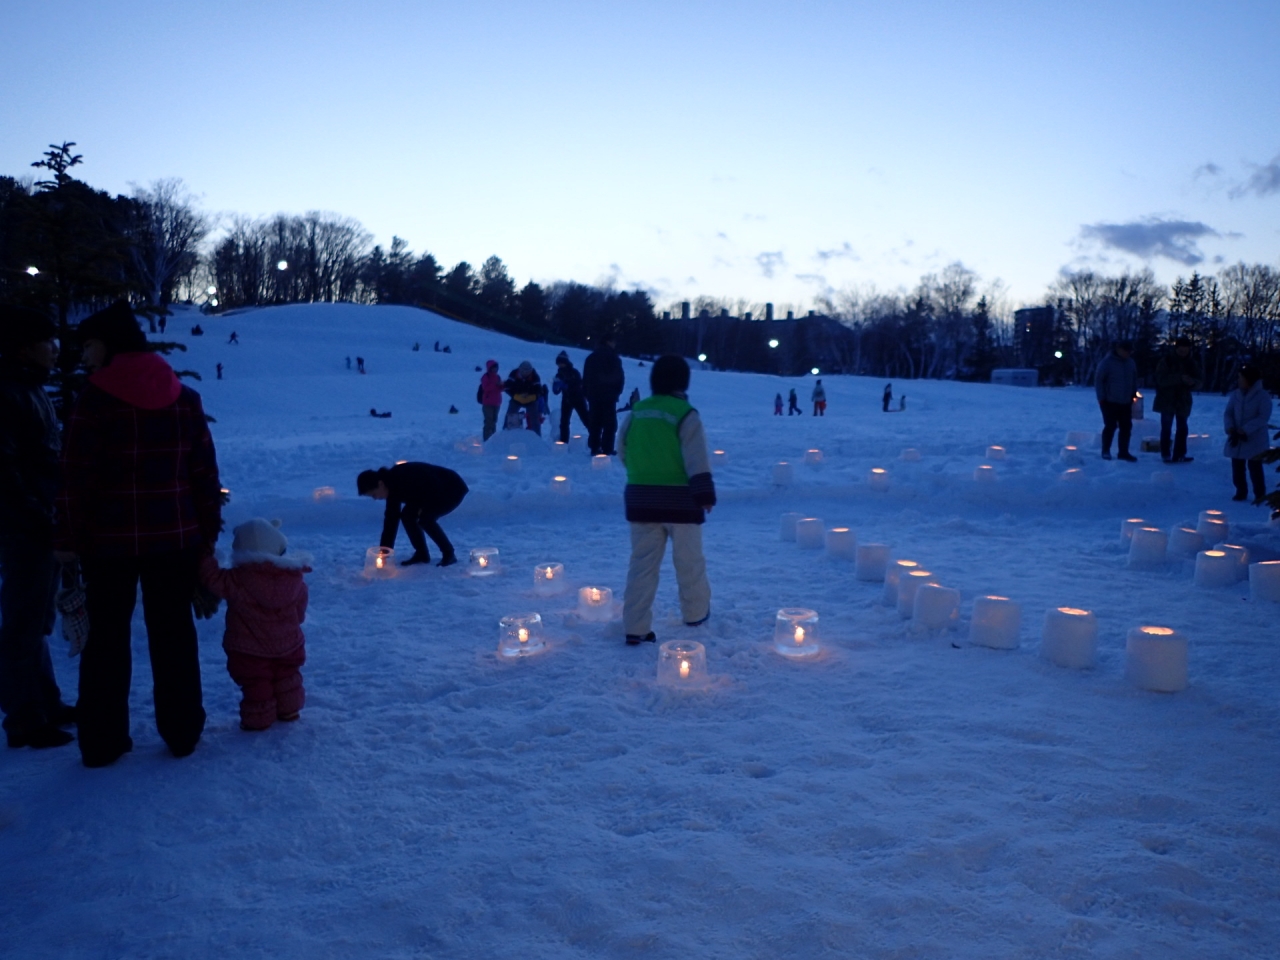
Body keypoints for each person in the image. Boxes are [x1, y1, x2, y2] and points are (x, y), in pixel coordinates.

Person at [56, 301, 223, 767]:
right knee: (173, 634)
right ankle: (183, 730)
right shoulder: (184, 399)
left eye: (88, 345)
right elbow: (204, 474)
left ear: (108, 345)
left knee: (105, 640)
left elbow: (74, 478)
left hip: (108, 545)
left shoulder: (93, 401)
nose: (84, 356)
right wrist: (205, 533)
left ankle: (103, 740)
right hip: (175, 539)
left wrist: (66, 540)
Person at [0, 305, 76, 749]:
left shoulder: (30, 388)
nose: (55, 351)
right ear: (26, 347)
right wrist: (33, 512)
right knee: (23, 620)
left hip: (40, 519)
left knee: (36, 616)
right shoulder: (9, 393)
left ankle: (45, 701)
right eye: (49, 343)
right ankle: (24, 718)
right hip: (25, 524)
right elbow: (5, 469)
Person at [617, 355, 715, 645]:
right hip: (682, 503)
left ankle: (635, 626)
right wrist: (704, 495)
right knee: (689, 562)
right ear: (683, 382)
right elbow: (696, 458)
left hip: (641, 500)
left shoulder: (637, 412)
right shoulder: (685, 413)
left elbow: (622, 449)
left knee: (642, 565)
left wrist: (642, 476)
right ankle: (695, 613)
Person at [198, 518, 311, 731]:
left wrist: (205, 556)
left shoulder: (236, 579)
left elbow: (211, 577)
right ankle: (290, 709)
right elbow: (300, 610)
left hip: (248, 649)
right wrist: (292, 625)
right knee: (288, 675)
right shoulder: (294, 579)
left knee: (257, 683)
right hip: (288, 643)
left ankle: (259, 719)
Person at [357, 462, 468, 567]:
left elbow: (432, 484)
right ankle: (422, 554)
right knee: (407, 516)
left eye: (374, 494)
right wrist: (384, 553)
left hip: (450, 488)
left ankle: (449, 554)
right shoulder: (391, 487)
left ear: (380, 484)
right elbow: (391, 520)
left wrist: (423, 508)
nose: (375, 498)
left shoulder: (403, 478)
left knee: (426, 519)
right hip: (426, 492)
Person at [1223, 364, 1272, 503]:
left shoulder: (1263, 396)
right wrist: (1230, 427)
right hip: (1236, 438)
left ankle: (1260, 494)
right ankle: (1240, 491)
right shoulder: (1236, 394)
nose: (1238, 380)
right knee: (1237, 467)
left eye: (1241, 378)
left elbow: (1263, 417)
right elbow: (1228, 413)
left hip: (1254, 438)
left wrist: (1245, 429)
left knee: (1255, 467)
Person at [1153, 336, 1202, 463]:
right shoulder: (1167, 361)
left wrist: (1192, 382)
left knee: (1182, 428)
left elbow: (1200, 381)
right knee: (1166, 427)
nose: (1183, 353)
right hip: (1167, 399)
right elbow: (1160, 380)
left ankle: (1180, 453)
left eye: (1185, 350)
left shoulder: (1192, 363)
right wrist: (1179, 378)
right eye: (1181, 350)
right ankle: (1165, 453)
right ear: (1176, 349)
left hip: (1183, 400)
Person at [1094, 340, 1138, 461]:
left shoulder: (1131, 363)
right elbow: (1099, 381)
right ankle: (1106, 450)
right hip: (1109, 401)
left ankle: (1123, 452)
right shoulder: (1107, 363)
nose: (1127, 353)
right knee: (1110, 426)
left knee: (1126, 427)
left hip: (1126, 401)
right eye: (1125, 350)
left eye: (1129, 351)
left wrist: (1133, 393)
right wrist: (1101, 398)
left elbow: (1134, 379)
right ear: (1118, 349)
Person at [583, 336, 625, 455]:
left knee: (594, 422)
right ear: (608, 341)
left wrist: (586, 393)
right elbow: (619, 377)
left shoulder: (591, 358)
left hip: (593, 395)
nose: (615, 344)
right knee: (609, 424)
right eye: (613, 341)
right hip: (608, 396)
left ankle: (594, 447)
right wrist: (617, 392)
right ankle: (607, 448)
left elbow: (586, 377)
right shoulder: (614, 358)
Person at [552, 351, 590, 443]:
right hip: (566, 400)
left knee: (586, 419)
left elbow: (578, 385)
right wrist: (556, 387)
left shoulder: (574, 372)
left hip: (578, 399)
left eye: (562, 363)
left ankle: (595, 437)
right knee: (564, 422)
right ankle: (564, 441)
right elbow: (556, 391)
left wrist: (567, 385)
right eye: (559, 364)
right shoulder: (559, 375)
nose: (560, 365)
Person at [504, 361, 543, 436]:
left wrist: (532, 396)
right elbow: (507, 387)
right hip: (516, 399)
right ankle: (506, 433)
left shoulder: (535, 376)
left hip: (530, 400)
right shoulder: (513, 374)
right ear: (520, 370)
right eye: (523, 371)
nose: (525, 373)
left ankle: (537, 437)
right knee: (510, 416)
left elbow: (539, 390)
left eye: (527, 371)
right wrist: (515, 395)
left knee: (535, 419)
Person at [477, 359, 504, 440]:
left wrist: (502, 386)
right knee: (488, 421)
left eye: (496, 367)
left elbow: (499, 389)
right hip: (488, 403)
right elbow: (485, 388)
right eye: (493, 368)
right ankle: (486, 438)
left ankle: (493, 438)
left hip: (496, 402)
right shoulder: (486, 377)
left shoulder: (498, 377)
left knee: (494, 421)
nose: (495, 369)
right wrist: (495, 385)